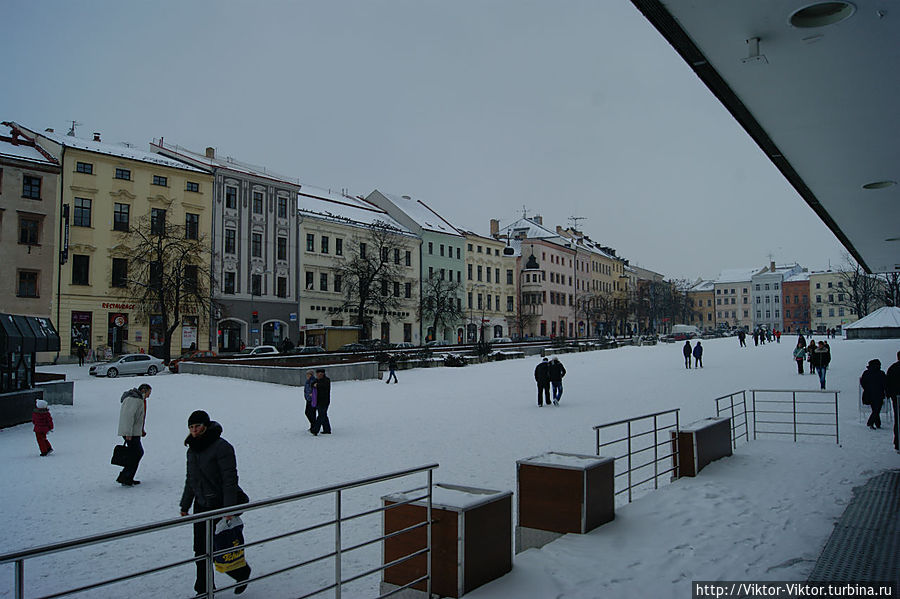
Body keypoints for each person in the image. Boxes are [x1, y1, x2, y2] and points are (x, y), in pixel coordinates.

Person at [179, 410, 251, 595]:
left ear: (206, 425)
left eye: (197, 426)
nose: (194, 431)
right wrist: (185, 504)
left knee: (222, 545)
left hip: (219, 504)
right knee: (200, 549)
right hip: (201, 505)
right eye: (191, 427)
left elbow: (230, 480)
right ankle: (203, 589)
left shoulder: (221, 447)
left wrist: (229, 508)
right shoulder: (192, 449)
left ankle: (241, 572)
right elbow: (191, 479)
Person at [116, 384, 151, 486]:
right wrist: (128, 433)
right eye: (149, 392)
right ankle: (125, 477)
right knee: (137, 453)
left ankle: (126, 476)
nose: (149, 395)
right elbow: (129, 417)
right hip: (131, 433)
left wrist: (141, 430)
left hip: (134, 432)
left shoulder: (137, 399)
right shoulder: (134, 400)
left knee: (135, 453)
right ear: (144, 390)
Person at [860, 359, 887, 430]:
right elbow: (885, 383)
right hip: (879, 394)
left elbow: (862, 382)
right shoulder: (881, 373)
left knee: (874, 409)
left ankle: (878, 423)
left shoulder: (866, 373)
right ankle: (871, 422)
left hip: (868, 394)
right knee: (877, 409)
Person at [885, 351, 900, 452]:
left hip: (896, 398)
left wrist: (890, 394)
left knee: (898, 420)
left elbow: (887, 383)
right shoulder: (893, 368)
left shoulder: (892, 368)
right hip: (896, 397)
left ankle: (897, 442)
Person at [310, 368, 332, 435]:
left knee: (321, 415)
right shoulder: (317, 380)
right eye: (317, 374)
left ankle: (315, 430)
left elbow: (323, 386)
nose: (318, 375)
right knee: (323, 415)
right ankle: (327, 429)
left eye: (320, 374)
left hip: (324, 401)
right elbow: (312, 384)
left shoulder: (326, 380)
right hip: (318, 401)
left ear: (322, 374)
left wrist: (317, 385)